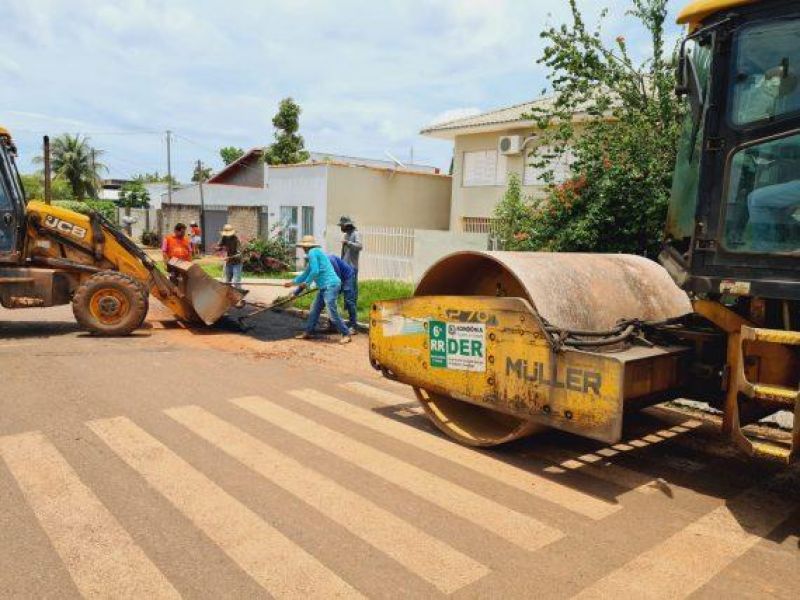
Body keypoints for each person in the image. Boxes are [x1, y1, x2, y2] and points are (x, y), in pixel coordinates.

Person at [284, 235, 351, 344]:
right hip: (324, 287)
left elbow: (314, 272)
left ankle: (346, 333)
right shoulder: (315, 254)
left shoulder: (313, 252)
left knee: (331, 311)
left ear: (306, 246)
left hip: (331, 285)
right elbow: (306, 273)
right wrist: (292, 283)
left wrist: (306, 283)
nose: (303, 249)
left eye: (303, 247)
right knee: (314, 310)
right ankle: (308, 332)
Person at [328, 253, 358, 334]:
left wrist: (337, 287)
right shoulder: (322, 262)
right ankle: (333, 325)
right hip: (338, 278)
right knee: (331, 300)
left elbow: (338, 275)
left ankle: (353, 326)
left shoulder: (330, 260)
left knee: (349, 301)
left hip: (348, 276)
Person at [338, 215, 362, 311]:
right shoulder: (346, 235)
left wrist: (348, 243)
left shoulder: (356, 234)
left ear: (347, 225)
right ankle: (346, 307)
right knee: (345, 288)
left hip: (352, 266)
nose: (341, 228)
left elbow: (359, 247)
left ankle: (352, 308)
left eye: (342, 226)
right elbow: (343, 252)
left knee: (352, 289)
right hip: (345, 266)